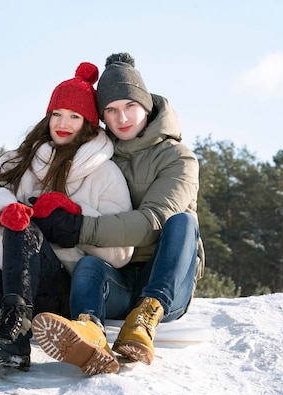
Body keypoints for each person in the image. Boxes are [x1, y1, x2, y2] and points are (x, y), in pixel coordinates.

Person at [0, 62, 134, 385]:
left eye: (74, 117)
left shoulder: (106, 174)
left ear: (88, 124)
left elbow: (122, 251)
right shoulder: (22, 158)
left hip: (57, 285)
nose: (63, 123)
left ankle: (16, 334)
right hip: (12, 272)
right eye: (57, 114)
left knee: (26, 230)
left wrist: (76, 213)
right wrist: (5, 210)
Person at [31, 52, 205, 375]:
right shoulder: (96, 154)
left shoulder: (179, 159)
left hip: (166, 281)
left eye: (129, 107)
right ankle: (89, 332)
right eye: (110, 110)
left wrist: (80, 228)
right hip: (120, 276)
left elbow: (153, 222)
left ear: (146, 105)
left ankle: (143, 320)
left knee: (183, 222)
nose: (121, 118)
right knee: (89, 265)